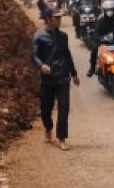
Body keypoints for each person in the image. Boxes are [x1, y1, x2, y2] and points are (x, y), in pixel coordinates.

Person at [33, 8, 80, 151]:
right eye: (56, 18)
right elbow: (33, 56)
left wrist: (74, 74)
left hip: (63, 78)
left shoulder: (63, 37)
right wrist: (41, 66)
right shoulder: (39, 37)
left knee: (64, 108)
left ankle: (61, 138)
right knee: (45, 109)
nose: (59, 21)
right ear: (47, 19)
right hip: (47, 79)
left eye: (60, 18)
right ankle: (48, 128)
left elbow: (67, 55)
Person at [87, 0, 114, 78]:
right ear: (104, 10)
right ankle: (92, 68)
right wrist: (97, 37)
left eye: (111, 10)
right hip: (104, 41)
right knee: (94, 50)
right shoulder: (101, 20)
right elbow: (97, 31)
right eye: (108, 10)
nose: (109, 12)